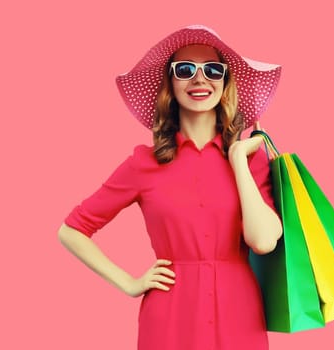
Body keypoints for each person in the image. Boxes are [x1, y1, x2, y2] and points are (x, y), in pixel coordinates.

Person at [58, 25, 283, 350]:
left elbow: (263, 241)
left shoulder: (251, 160)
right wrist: (129, 283)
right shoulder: (143, 163)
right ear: (170, 83)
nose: (200, 78)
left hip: (240, 313)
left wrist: (237, 157)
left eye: (213, 70)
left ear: (224, 83)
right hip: (170, 316)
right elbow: (72, 230)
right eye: (185, 69)